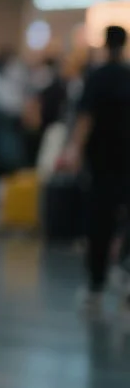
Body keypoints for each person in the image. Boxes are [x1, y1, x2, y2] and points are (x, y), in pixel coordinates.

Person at [59, 25, 130, 315]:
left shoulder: (97, 76)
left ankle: (96, 285)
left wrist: (74, 150)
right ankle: (125, 275)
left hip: (101, 162)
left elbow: (85, 117)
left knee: (99, 222)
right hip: (127, 161)